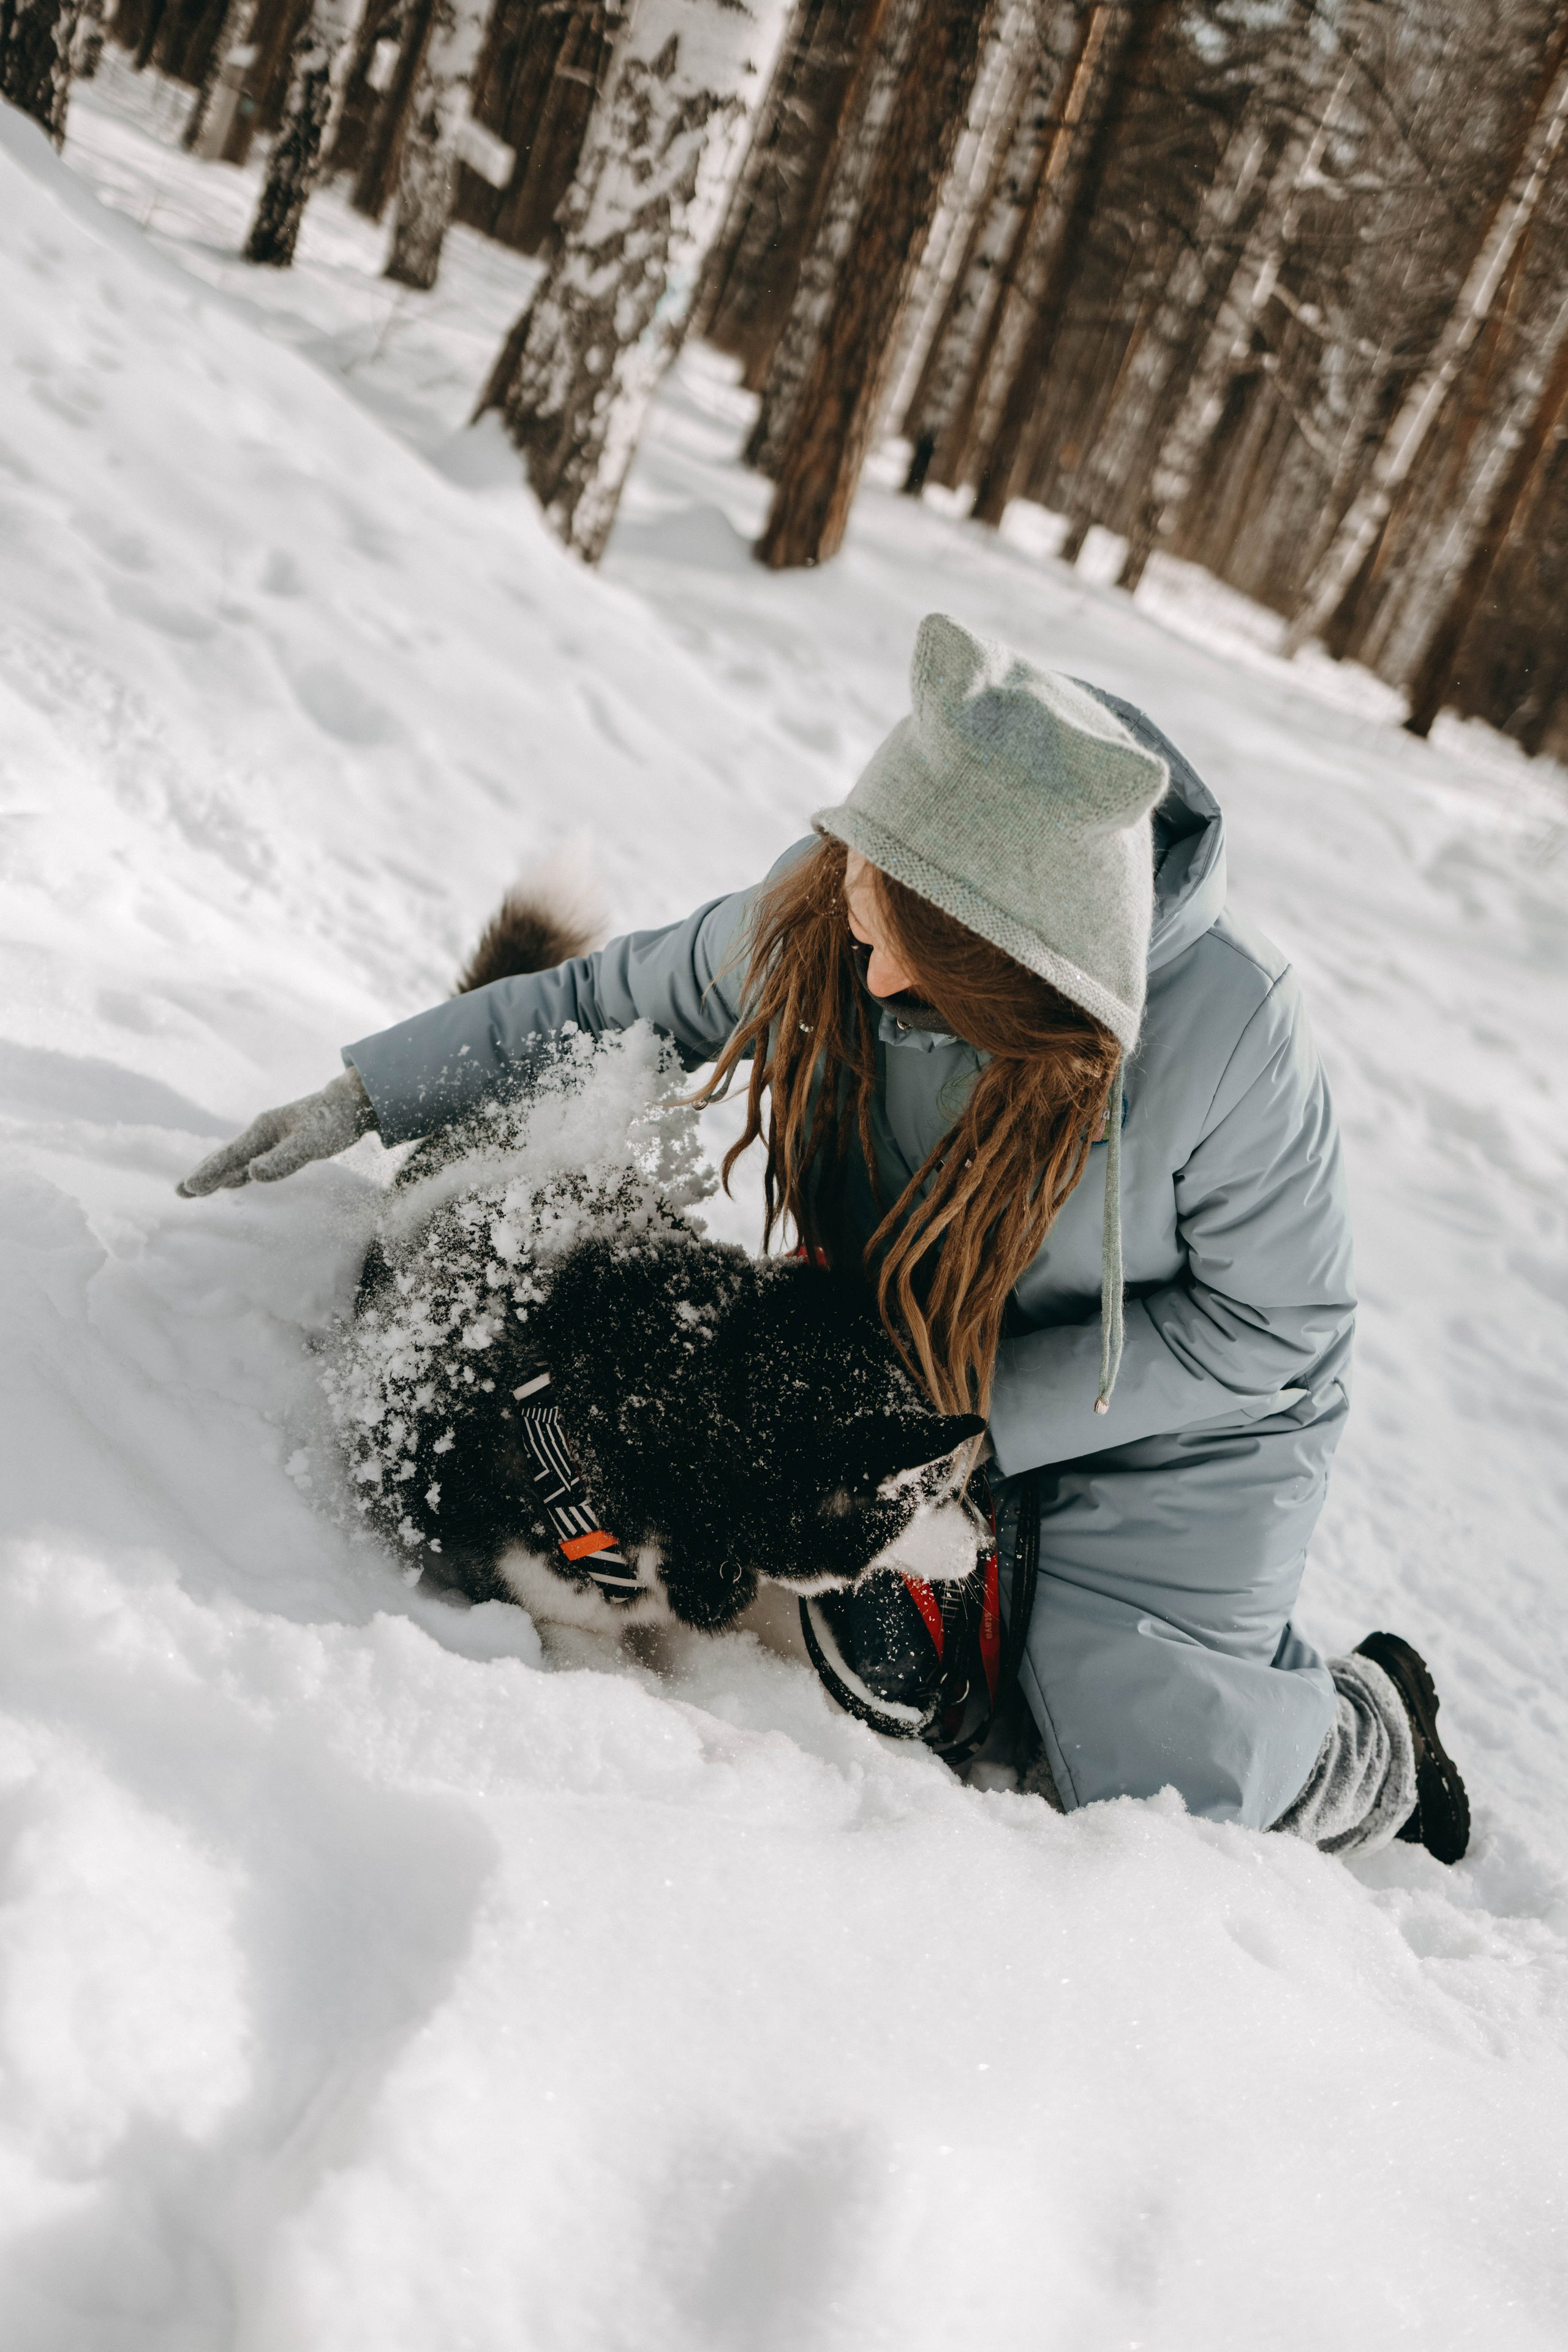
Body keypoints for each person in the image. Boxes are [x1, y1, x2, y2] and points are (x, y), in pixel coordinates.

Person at [180, 614, 1469, 1862]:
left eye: (924, 969)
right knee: (878, 1618)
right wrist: (368, 1092)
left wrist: (986, 1423)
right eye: (867, 906)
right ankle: (1035, 1597)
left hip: (1189, 1408)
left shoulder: (1233, 1035)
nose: (874, 975)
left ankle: (1369, 1735)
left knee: (1147, 1778)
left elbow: (1275, 1330)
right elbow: (595, 1000)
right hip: (925, 1353)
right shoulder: (848, 903)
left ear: (1025, 980)